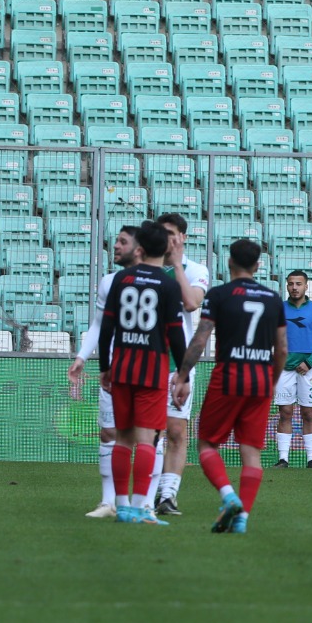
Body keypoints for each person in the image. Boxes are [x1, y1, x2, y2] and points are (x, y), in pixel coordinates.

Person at [170, 239, 288, 535]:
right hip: (261, 378)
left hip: (229, 375)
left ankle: (228, 496)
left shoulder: (220, 295)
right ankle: (242, 518)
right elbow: (283, 348)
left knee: (207, 443)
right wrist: (271, 382)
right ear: (258, 265)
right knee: (252, 453)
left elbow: (200, 339)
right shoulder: (274, 298)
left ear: (229, 262)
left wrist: (183, 375)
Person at [97, 221, 189, 526]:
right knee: (147, 441)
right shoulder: (168, 284)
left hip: (122, 366)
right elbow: (176, 335)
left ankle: (121, 506)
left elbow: (106, 328)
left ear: (140, 248)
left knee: (122, 440)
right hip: (151, 370)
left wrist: (105, 369)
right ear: (165, 247)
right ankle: (140, 507)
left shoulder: (121, 279)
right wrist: (183, 375)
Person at [68, 226, 140, 519]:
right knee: (109, 432)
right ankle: (108, 501)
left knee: (151, 436)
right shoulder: (109, 281)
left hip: (150, 369)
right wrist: (81, 357)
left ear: (139, 249)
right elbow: (98, 325)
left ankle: (144, 502)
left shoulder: (160, 281)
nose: (115, 245)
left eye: (123, 241)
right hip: (115, 369)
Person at [152, 212, 209, 516]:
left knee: (175, 430)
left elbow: (191, 303)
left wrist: (175, 264)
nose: (168, 238)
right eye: (162, 233)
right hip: (146, 358)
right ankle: (149, 491)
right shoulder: (145, 268)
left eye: (173, 233)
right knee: (149, 432)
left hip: (179, 361)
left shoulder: (196, 270)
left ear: (184, 237)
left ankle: (168, 495)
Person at [276, 269, 312, 468]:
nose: (294, 287)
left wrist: (310, 362)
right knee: (285, 412)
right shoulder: (278, 309)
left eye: (299, 284)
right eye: (291, 284)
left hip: (308, 369)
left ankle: (311, 459)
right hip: (284, 369)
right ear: (287, 286)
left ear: (306, 286)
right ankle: (283, 459)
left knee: (308, 413)